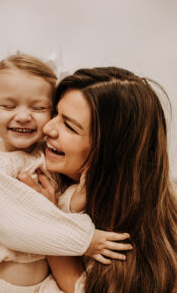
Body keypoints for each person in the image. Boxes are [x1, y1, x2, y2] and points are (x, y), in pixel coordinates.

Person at [0, 55, 131, 292]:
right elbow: (11, 225)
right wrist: (85, 240)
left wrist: (79, 196)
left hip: (47, 283)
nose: (23, 116)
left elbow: (54, 204)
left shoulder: (44, 156)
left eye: (38, 108)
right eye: (9, 106)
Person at [22, 66, 176, 293]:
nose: (47, 128)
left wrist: (50, 216)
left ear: (111, 153)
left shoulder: (146, 233)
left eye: (69, 126)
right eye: (55, 113)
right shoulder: (28, 172)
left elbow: (81, 287)